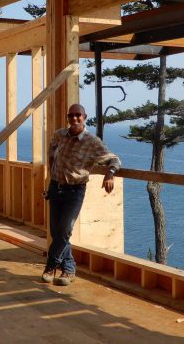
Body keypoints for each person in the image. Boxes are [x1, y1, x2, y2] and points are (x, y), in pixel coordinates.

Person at [42, 103, 121, 286]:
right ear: (67, 118)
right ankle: (68, 268)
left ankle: (51, 267)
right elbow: (52, 152)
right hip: (55, 187)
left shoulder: (92, 142)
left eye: (78, 115)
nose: (74, 118)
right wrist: (50, 174)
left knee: (65, 230)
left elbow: (114, 159)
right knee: (57, 232)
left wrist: (110, 174)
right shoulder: (59, 135)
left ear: (84, 117)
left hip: (75, 190)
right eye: (71, 115)